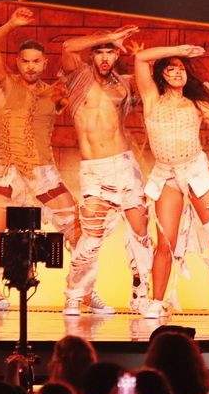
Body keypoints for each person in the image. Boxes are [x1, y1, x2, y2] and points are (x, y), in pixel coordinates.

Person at [0, 7, 83, 312]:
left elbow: (76, 77)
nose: (31, 67)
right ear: (17, 62)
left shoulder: (54, 92)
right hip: (9, 171)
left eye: (36, 62)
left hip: (44, 172)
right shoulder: (4, 83)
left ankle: (80, 292)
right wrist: (12, 23)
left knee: (77, 231)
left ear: (44, 63)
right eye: (25, 61)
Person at [131, 43, 209, 319]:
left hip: (195, 172)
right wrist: (179, 50)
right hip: (166, 175)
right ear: (161, 75)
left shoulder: (197, 104)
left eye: (181, 69)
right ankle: (158, 301)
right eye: (170, 69)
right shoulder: (152, 98)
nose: (177, 73)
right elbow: (140, 57)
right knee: (166, 243)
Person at [59, 25, 155, 315]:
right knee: (91, 238)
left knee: (140, 232)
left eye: (110, 52)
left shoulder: (123, 84)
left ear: (116, 56)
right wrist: (109, 37)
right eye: (99, 52)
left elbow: (150, 89)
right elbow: (67, 46)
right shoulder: (78, 77)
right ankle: (75, 295)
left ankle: (141, 294)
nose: (104, 57)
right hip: (95, 170)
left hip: (125, 165)